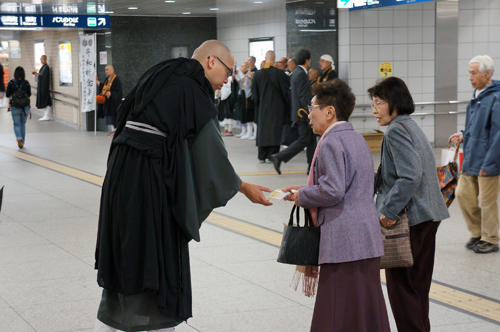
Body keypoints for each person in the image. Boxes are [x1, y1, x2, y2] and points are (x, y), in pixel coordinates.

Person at [94, 40, 272, 332]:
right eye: (228, 70)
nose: (229, 78)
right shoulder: (193, 90)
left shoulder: (161, 73)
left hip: (120, 175)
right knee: (154, 247)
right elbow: (209, 151)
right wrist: (241, 186)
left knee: (126, 245)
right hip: (149, 182)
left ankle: (112, 320)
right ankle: (152, 322)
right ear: (211, 61)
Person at [282, 79, 390, 332]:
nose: (309, 114)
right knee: (365, 306)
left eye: (312, 107)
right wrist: (305, 190)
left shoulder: (330, 142)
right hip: (365, 237)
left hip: (342, 240)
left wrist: (303, 196)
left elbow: (333, 190)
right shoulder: (356, 138)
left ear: (329, 112)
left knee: (337, 310)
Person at [369, 77, 449, 332]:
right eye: (373, 103)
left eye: (379, 103)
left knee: (401, 288)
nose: (374, 109)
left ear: (395, 103)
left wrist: (388, 212)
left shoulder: (395, 132)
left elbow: (410, 175)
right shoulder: (411, 126)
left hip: (410, 220)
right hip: (428, 216)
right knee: (418, 286)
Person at [450, 55, 500, 254]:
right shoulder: (477, 95)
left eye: (474, 73)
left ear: (487, 74)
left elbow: (497, 134)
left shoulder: (496, 98)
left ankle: (491, 238)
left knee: (487, 202)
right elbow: (476, 127)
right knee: (462, 195)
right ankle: (478, 232)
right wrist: (463, 135)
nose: (470, 77)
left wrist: (490, 164)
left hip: (488, 161)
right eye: (469, 73)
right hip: (471, 158)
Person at [269, 49, 316, 174]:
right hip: (303, 113)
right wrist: (311, 111)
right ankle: (279, 157)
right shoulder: (301, 74)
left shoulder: (296, 72)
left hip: (299, 112)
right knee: (304, 140)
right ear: (307, 61)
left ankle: (311, 167)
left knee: (311, 140)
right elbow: (303, 96)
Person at [251, 50, 290, 163]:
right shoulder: (280, 74)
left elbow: (255, 93)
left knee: (263, 131)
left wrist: (259, 103)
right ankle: (272, 155)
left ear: (265, 58)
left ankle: (262, 155)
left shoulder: (258, 74)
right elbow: (286, 91)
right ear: (274, 59)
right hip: (277, 108)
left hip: (262, 108)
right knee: (275, 131)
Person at [6, 66, 31, 149]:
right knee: (23, 124)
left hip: (15, 106)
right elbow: (29, 94)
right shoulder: (26, 83)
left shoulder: (11, 83)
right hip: (25, 107)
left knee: (17, 124)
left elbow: (7, 94)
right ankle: (22, 142)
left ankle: (18, 138)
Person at [97, 65, 123, 136]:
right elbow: (103, 88)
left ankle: (116, 130)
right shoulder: (107, 79)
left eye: (107, 70)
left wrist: (111, 93)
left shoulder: (116, 79)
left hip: (114, 102)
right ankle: (112, 130)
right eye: (105, 70)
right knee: (109, 116)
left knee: (115, 116)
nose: (106, 71)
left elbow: (119, 91)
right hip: (108, 102)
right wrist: (97, 81)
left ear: (112, 70)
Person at [33, 55, 52, 121]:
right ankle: (45, 115)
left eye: (43, 59)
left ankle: (46, 115)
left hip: (44, 87)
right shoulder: (43, 67)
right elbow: (41, 75)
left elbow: (44, 77)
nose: (41, 60)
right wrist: (37, 75)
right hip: (42, 87)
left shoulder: (46, 68)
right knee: (44, 101)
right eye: (41, 59)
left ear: (46, 59)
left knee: (46, 101)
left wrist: (38, 75)